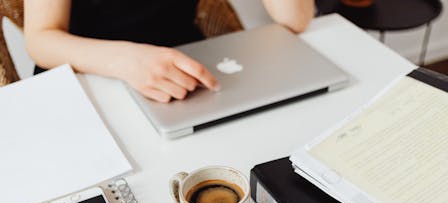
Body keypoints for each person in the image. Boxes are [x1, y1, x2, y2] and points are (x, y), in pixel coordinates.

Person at [24, 0, 314, 103]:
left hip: (185, 73)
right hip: (85, 76)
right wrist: (126, 61)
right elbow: (41, 39)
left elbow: (295, 19)